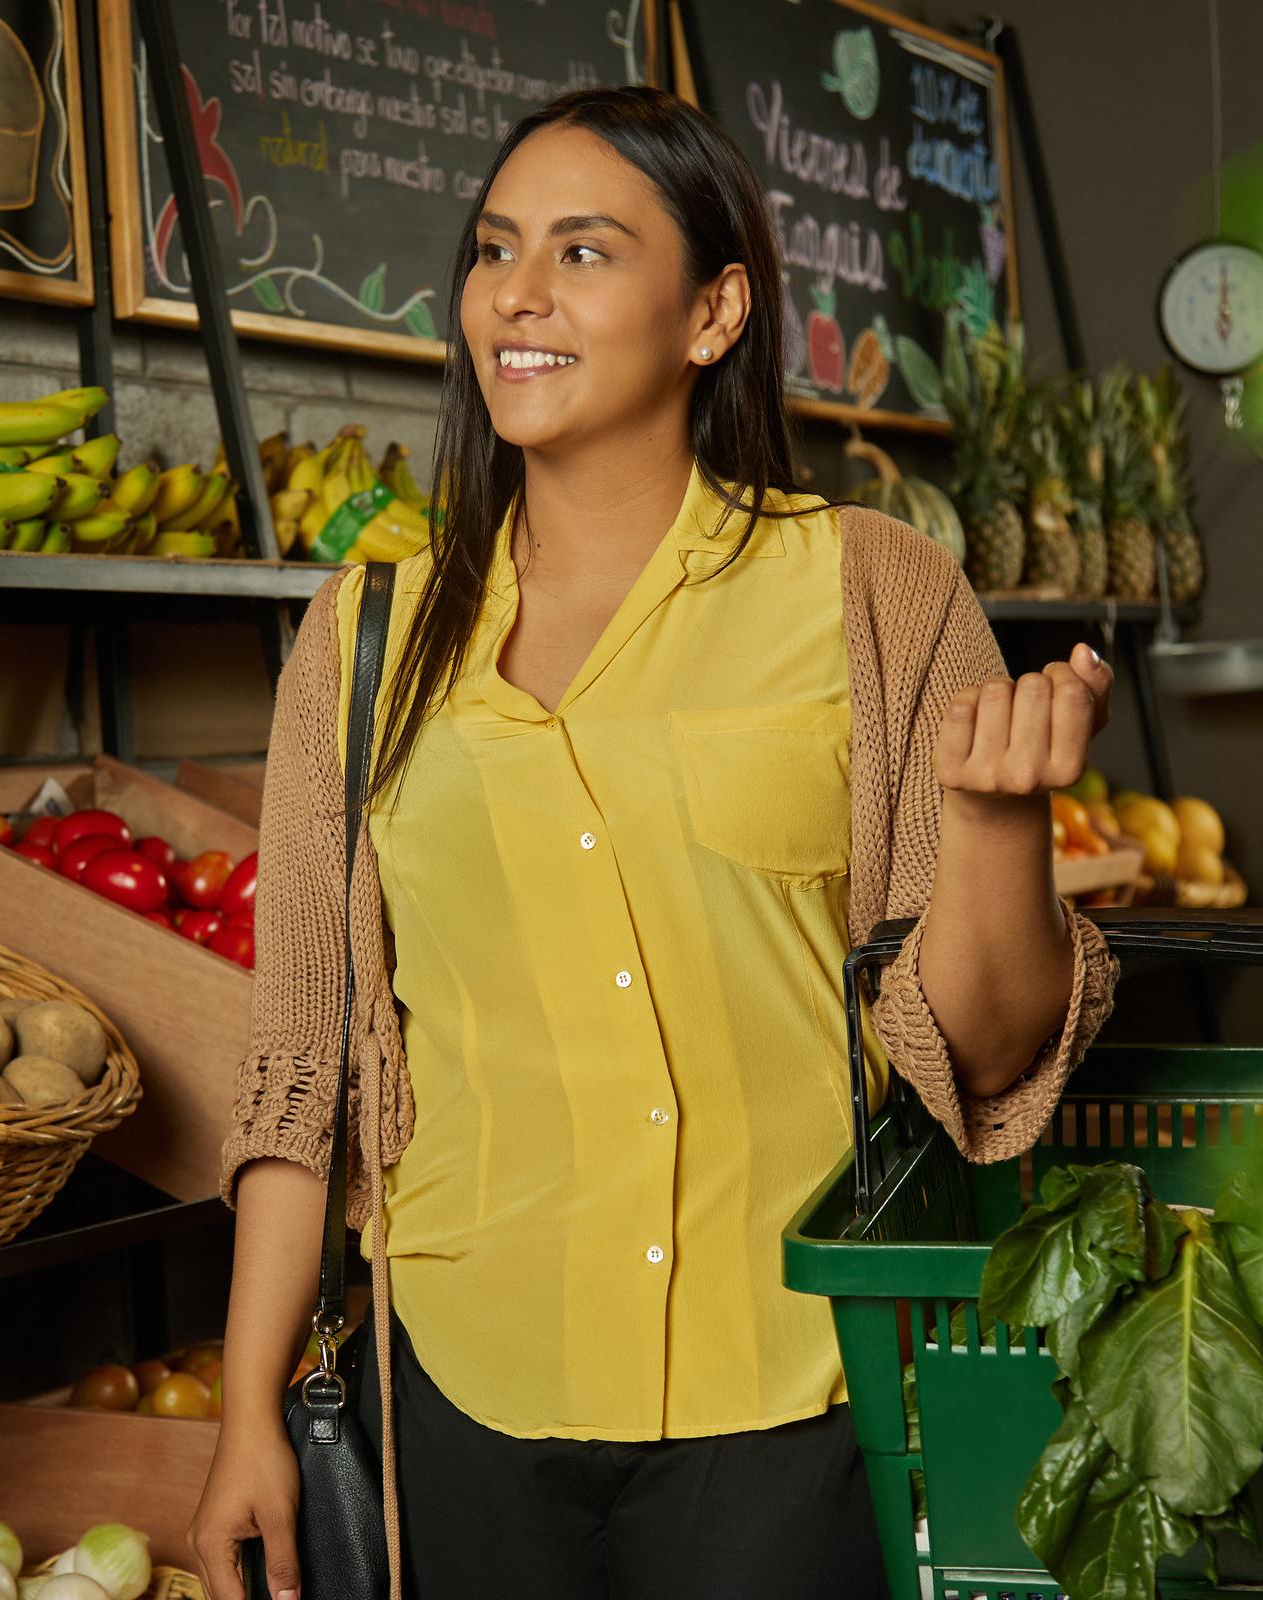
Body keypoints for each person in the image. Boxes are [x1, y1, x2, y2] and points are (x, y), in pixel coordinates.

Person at [191, 85, 1119, 1600]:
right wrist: (245, 1415)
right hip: (468, 1389)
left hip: (795, 1395)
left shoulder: (874, 597)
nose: (520, 295)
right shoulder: (365, 638)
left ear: (714, 312)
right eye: (497, 251)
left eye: (585, 251)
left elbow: (993, 1055)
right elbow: (303, 1069)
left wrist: (997, 823)